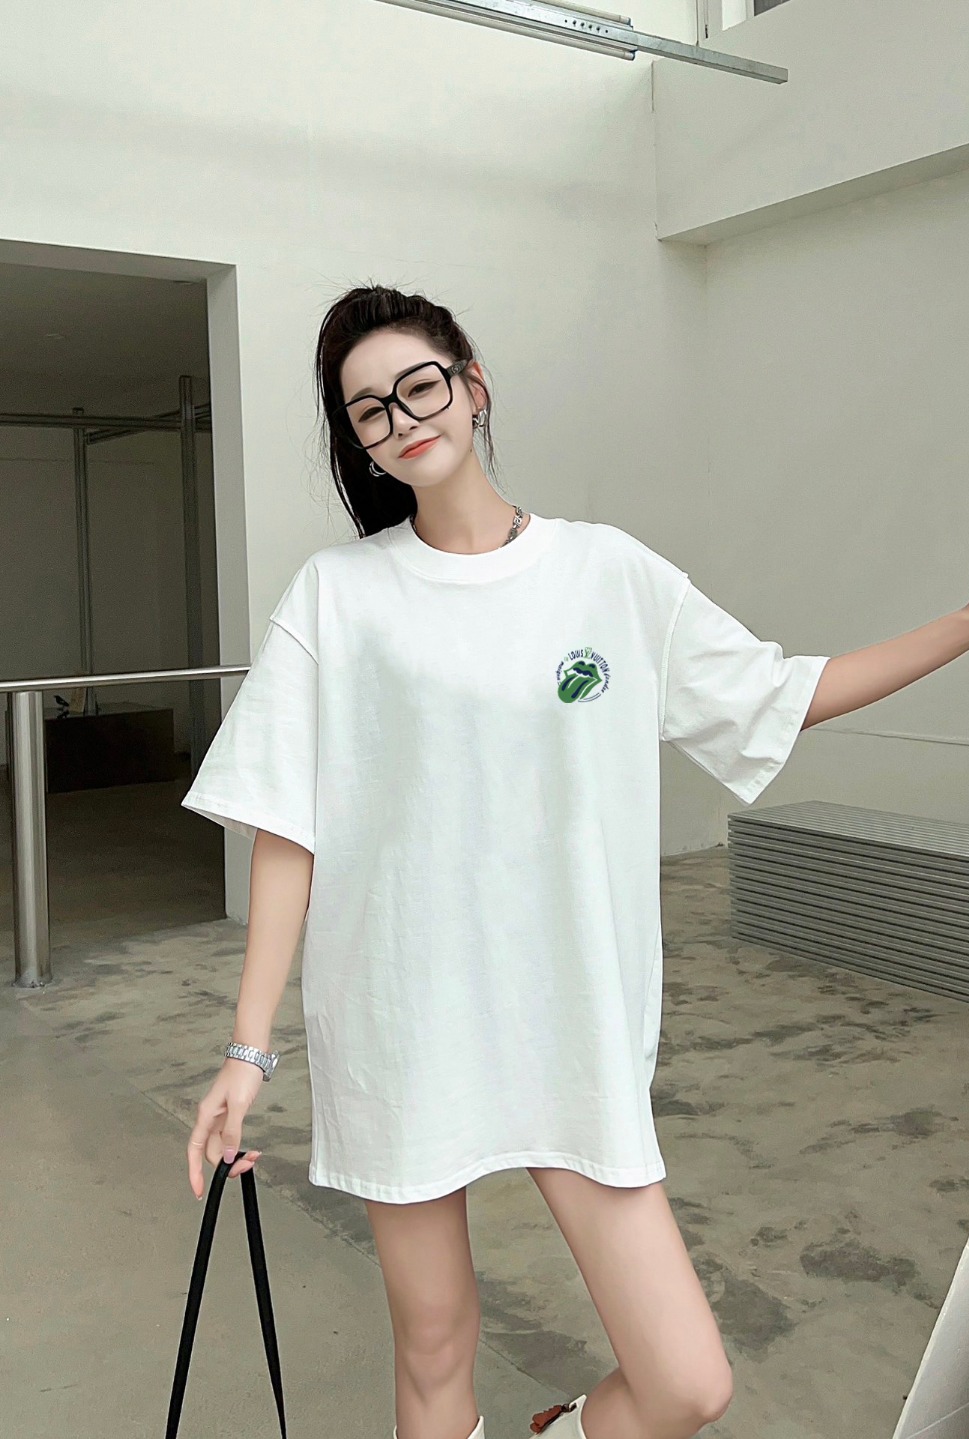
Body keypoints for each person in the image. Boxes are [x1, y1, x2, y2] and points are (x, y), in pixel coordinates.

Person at [181, 284, 834, 1439]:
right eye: (370, 410)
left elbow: (774, 691)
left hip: (566, 1017)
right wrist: (248, 1048)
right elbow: (289, 824)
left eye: (418, 387)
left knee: (687, 1381)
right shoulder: (339, 594)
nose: (402, 419)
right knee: (434, 1345)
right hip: (401, 1017)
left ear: (472, 386)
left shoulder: (604, 571)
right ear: (360, 442)